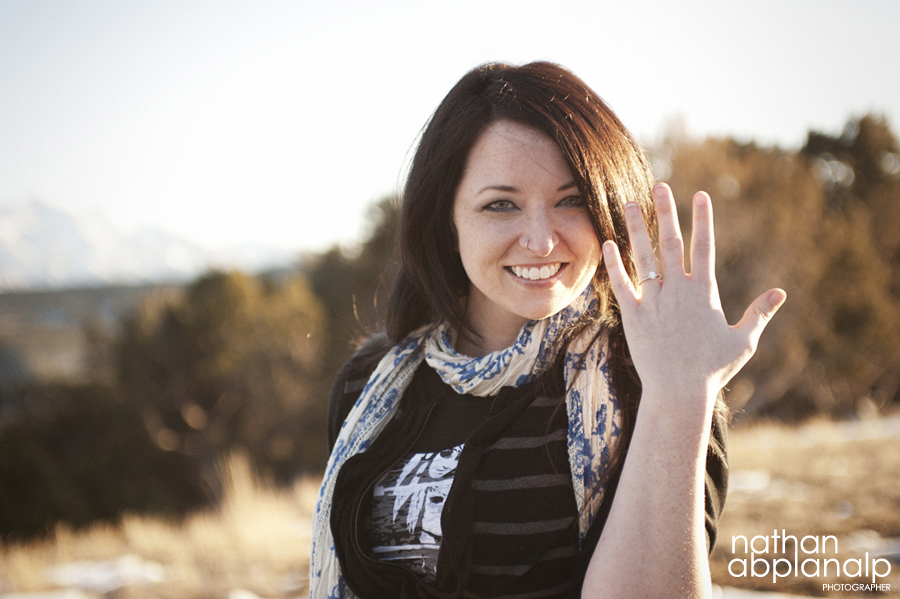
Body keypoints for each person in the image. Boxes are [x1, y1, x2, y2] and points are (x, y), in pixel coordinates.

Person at [309, 61, 786, 599]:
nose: (540, 240)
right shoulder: (368, 383)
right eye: (501, 205)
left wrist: (680, 394)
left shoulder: (652, 377)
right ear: (447, 218)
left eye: (572, 200)